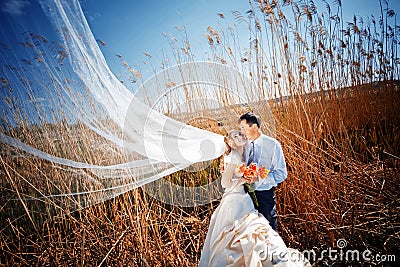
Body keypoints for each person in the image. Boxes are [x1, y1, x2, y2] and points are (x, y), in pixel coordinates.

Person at [199, 130, 309, 267]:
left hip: (243, 197)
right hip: (234, 199)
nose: (240, 138)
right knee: (239, 230)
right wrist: (243, 179)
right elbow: (225, 183)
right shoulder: (234, 157)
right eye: (235, 137)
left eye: (240, 136)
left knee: (252, 229)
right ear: (230, 142)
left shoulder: (241, 155)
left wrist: (251, 176)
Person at [239, 112, 287, 231]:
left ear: (254, 127)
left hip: (264, 195)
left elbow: (282, 174)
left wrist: (258, 178)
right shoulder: (245, 144)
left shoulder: (273, 145)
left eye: (244, 128)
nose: (242, 132)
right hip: (245, 195)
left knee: (269, 227)